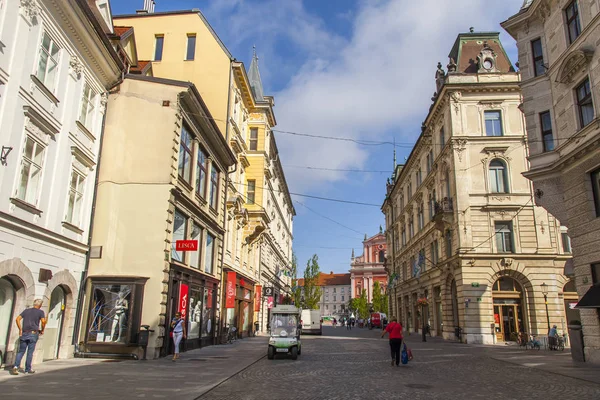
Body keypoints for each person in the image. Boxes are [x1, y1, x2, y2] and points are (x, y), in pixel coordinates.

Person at [10, 299, 47, 375]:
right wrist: (42, 330)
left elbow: (17, 319)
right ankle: (27, 369)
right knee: (30, 352)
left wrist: (20, 329)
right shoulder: (40, 312)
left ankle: (16, 366)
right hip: (33, 333)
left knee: (21, 351)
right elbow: (43, 321)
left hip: (24, 333)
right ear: (40, 305)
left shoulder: (26, 311)